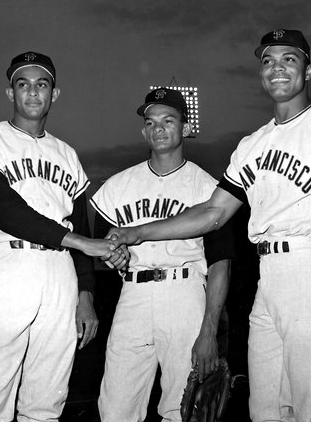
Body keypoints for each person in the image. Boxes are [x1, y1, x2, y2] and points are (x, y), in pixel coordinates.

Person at [108, 30, 311, 421]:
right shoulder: (253, 144)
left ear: (309, 69)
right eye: (268, 61)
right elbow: (213, 212)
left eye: (289, 59)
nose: (276, 68)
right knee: (264, 409)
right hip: (268, 279)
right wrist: (137, 232)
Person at [0, 51, 128, 422]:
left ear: (55, 94)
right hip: (7, 264)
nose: (33, 92)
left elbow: (82, 226)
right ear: (10, 93)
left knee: (47, 400)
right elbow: (6, 210)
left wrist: (85, 296)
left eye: (42, 84)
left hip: (60, 272)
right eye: (23, 84)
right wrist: (83, 243)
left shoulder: (67, 154)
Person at [90, 88, 234, 422]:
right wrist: (112, 256)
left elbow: (221, 264)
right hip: (133, 296)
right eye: (151, 122)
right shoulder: (117, 185)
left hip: (184, 293)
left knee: (182, 408)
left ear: (184, 127)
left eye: (168, 120)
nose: (158, 128)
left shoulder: (207, 187)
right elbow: (101, 246)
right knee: (115, 408)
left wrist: (209, 330)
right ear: (144, 130)